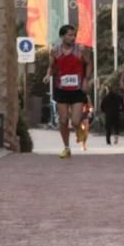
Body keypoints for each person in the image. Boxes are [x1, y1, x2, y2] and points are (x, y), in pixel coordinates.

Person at [43, 24, 92, 159]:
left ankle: (79, 131)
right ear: (62, 36)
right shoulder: (55, 51)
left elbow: (88, 63)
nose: (73, 37)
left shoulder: (80, 50)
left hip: (77, 89)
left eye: (73, 35)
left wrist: (86, 80)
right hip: (61, 89)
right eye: (70, 35)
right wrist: (48, 75)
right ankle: (66, 148)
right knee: (63, 120)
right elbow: (51, 66)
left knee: (76, 121)